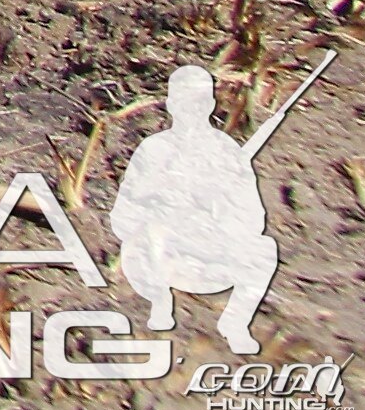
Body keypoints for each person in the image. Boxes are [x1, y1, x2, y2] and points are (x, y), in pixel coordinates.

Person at [107, 63, 279, 355]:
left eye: (199, 101)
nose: (192, 109)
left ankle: (235, 323)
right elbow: (124, 212)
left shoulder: (226, 152)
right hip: (159, 252)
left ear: (211, 103)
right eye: (184, 101)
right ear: (172, 104)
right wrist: (162, 206)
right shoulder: (154, 149)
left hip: (207, 249)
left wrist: (218, 210)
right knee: (154, 235)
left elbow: (252, 218)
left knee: (264, 249)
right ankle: (159, 304)